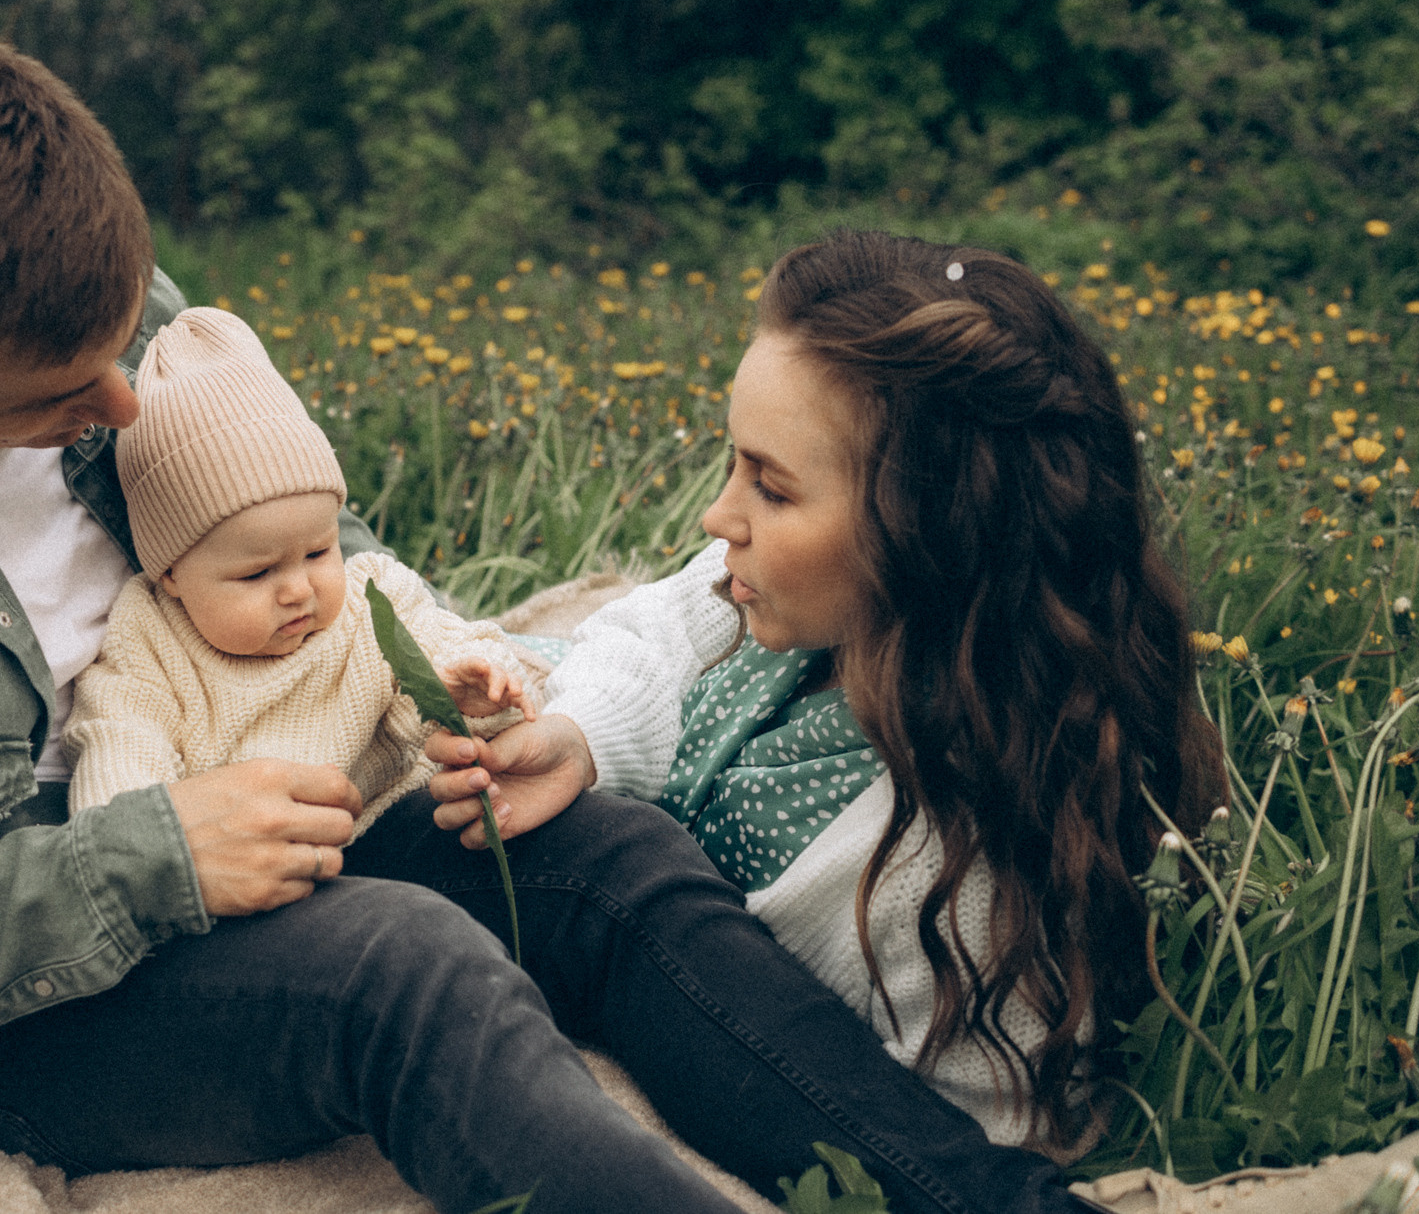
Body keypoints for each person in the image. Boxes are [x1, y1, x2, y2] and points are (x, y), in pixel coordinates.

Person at [0, 23, 1103, 1214]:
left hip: (277, 831)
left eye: (129, 346)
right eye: (58, 404)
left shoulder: (99, 303)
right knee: (396, 968)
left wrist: (455, 689)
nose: (121, 408)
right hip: (8, 1004)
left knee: (601, 852)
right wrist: (155, 858)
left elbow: (324, 541)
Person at [410, 229, 1225, 1161]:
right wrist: (585, 732)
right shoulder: (779, 595)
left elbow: (949, 1126)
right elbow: (656, 622)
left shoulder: (954, 865)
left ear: (931, 529)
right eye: (734, 464)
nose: (720, 517)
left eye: (772, 487)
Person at [65, 305, 537, 829]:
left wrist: (474, 692)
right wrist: (145, 846)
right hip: (254, 864)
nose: (297, 590)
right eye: (256, 574)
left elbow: (451, 652)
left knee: (605, 834)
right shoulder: (150, 640)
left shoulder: (372, 597)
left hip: (397, 820)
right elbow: (122, 742)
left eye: (317, 552)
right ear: (171, 573)